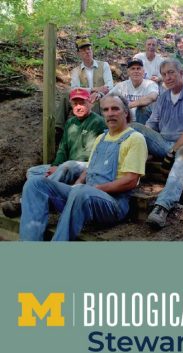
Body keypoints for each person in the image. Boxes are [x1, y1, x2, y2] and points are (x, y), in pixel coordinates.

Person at [19, 94, 147, 241]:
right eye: (105, 109)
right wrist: (78, 183)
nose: (110, 113)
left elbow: (130, 180)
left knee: (81, 192)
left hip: (113, 204)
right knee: (35, 183)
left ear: (125, 112)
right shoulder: (101, 138)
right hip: (85, 195)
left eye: (115, 109)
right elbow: (90, 168)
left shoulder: (135, 139)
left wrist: (95, 189)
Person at [1, 88, 107, 218]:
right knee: (33, 171)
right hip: (68, 167)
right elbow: (63, 148)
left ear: (90, 102)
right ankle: (50, 197)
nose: (79, 107)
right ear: (71, 105)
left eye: (82, 103)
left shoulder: (98, 122)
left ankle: (26, 202)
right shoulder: (70, 123)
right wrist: (55, 166)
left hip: (86, 166)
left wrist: (61, 167)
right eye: (75, 103)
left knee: (67, 165)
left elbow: (92, 154)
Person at [131, 59, 183, 229]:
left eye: (171, 72)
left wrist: (172, 152)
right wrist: (143, 141)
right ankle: (124, 180)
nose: (168, 77)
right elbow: (152, 123)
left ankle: (162, 207)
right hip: (164, 142)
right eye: (164, 74)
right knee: (134, 128)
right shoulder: (164, 97)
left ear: (181, 73)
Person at [55, 36, 114, 131]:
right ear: (78, 53)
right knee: (66, 94)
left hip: (100, 98)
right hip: (82, 98)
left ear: (92, 50)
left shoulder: (104, 65)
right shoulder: (76, 71)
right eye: (83, 50)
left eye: (89, 49)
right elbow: (75, 89)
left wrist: (99, 93)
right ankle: (58, 127)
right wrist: (93, 89)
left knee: (94, 102)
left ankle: (92, 130)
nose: (87, 52)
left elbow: (109, 85)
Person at [109, 59, 159, 124]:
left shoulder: (150, 84)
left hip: (145, 122)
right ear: (128, 72)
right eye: (133, 69)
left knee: (142, 109)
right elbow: (108, 98)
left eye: (138, 69)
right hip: (125, 121)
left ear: (143, 72)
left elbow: (153, 97)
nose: (136, 71)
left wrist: (128, 106)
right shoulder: (121, 86)